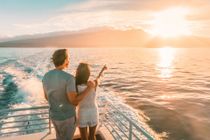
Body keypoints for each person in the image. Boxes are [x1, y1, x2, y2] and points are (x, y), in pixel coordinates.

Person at [42, 49, 95, 140]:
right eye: (68, 58)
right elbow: (74, 101)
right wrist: (89, 88)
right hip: (67, 118)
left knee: (59, 137)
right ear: (65, 60)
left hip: (54, 116)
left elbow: (46, 97)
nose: (69, 60)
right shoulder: (69, 78)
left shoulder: (46, 76)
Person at [76, 63, 105, 140]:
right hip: (93, 112)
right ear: (88, 74)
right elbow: (99, 77)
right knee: (92, 136)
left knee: (83, 138)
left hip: (82, 113)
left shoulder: (75, 86)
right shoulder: (93, 83)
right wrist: (102, 70)